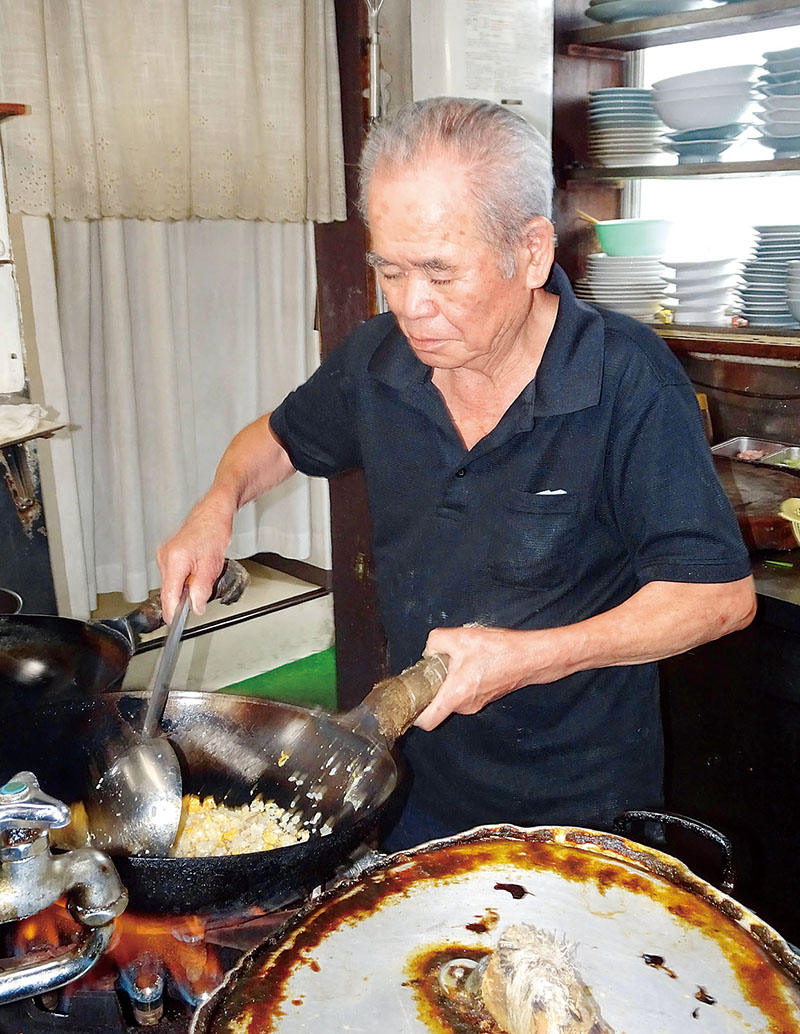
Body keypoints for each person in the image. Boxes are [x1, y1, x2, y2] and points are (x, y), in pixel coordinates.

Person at [158, 97, 756, 852]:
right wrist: (216, 503)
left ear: (531, 252)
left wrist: (526, 657)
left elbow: (719, 599)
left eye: (440, 273)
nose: (411, 306)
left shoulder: (626, 377)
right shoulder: (379, 358)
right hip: (410, 777)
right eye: (391, 270)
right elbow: (276, 439)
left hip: (576, 802)